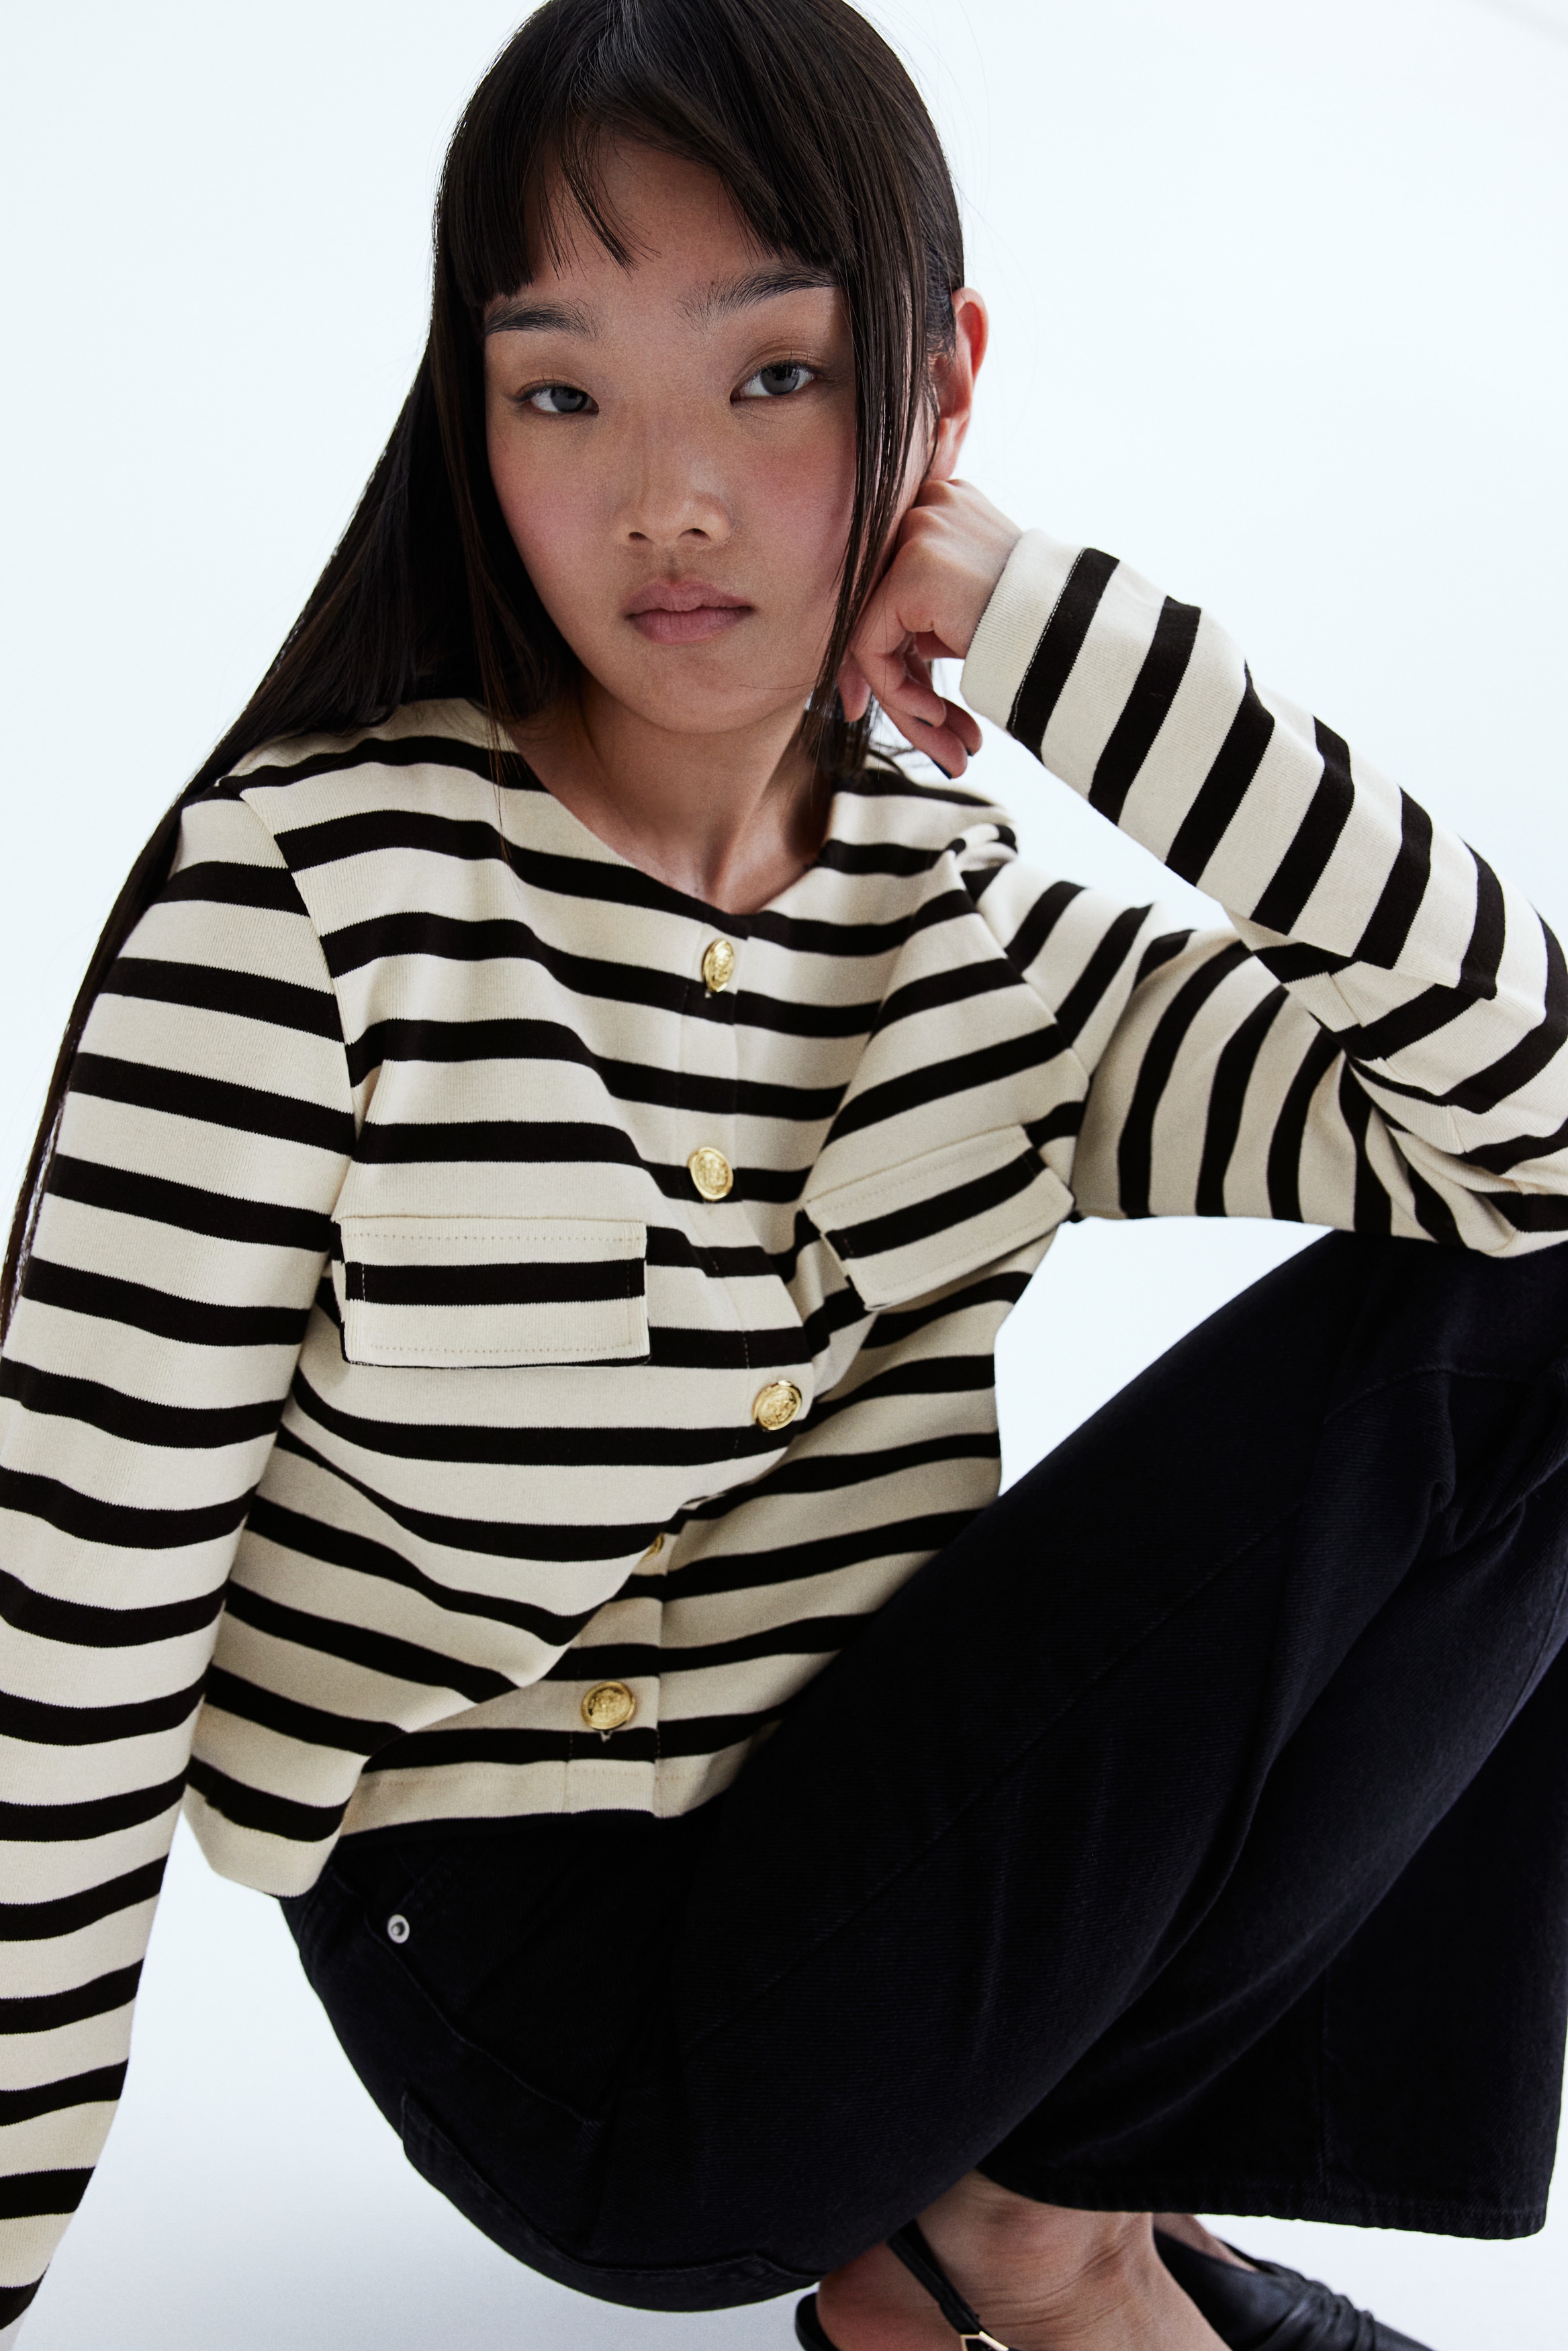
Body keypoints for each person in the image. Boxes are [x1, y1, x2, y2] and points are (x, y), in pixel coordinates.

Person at [3, 2, 1566, 2345]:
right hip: (573, 2031)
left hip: (911, 1913)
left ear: (938, 386)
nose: (670, 498)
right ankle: (1025, 2242)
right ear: (469, 417)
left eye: (775, 377)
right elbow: (62, 1657)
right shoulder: (308, 903)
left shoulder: (972, 934)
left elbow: (1531, 1141)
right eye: (560, 393)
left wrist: (1054, 632)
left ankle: (1037, 2224)